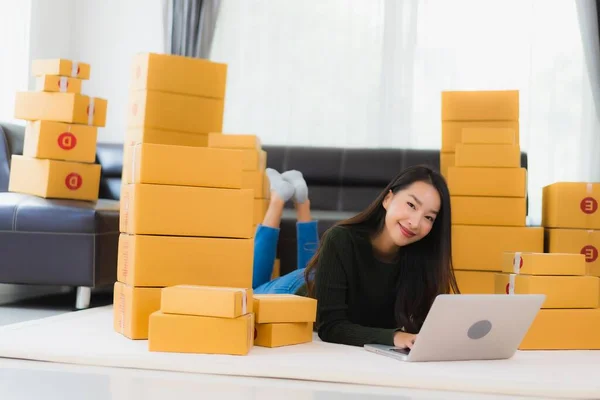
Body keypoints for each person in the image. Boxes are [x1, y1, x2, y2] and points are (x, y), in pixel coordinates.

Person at [252, 165, 459, 350]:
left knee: (315, 263)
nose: (415, 222)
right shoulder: (342, 239)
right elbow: (330, 327)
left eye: (429, 217)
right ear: (388, 199)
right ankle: (279, 199)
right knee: (253, 290)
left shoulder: (420, 260)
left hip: (320, 274)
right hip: (295, 290)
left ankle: (301, 201)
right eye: (412, 205)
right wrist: (394, 336)